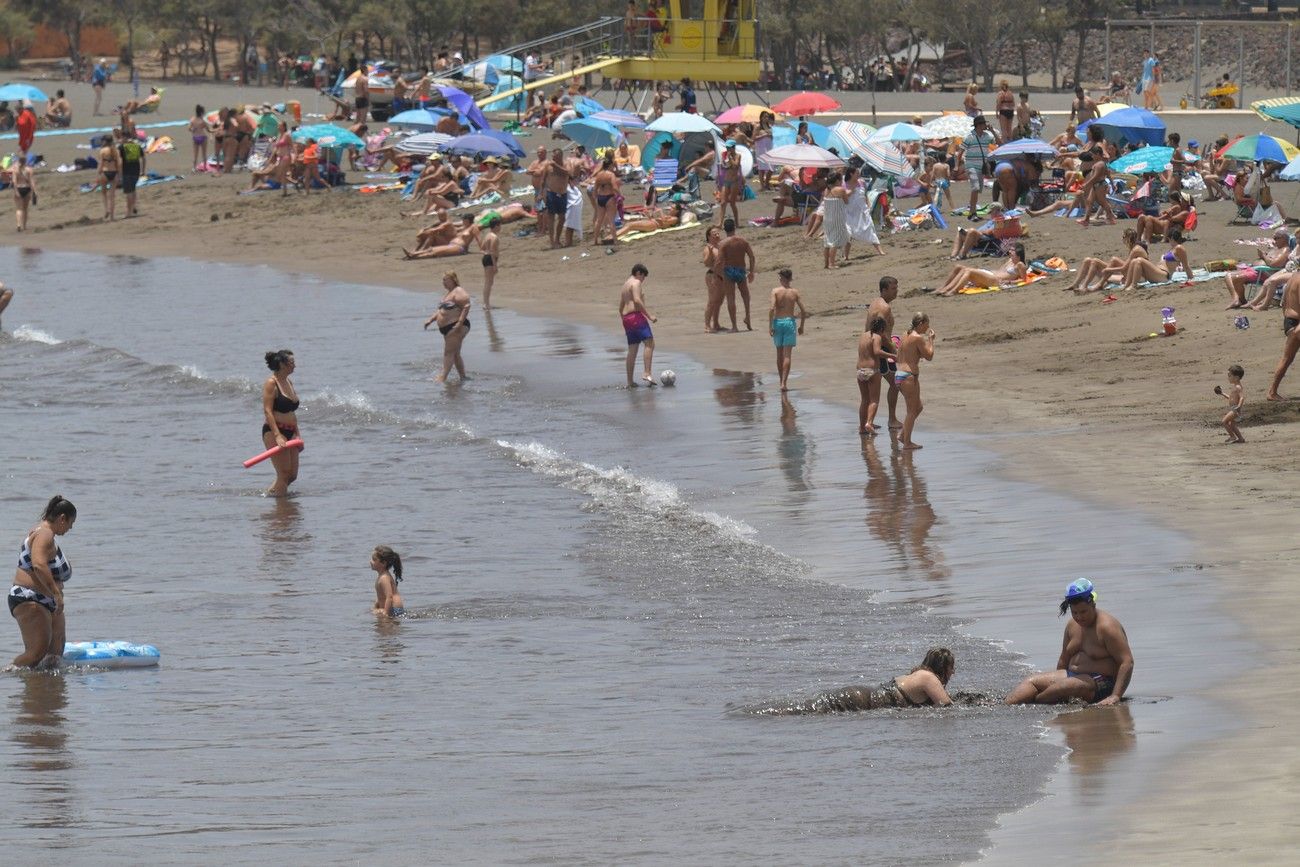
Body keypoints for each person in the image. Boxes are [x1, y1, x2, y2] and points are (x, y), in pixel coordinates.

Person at [1005, 578, 1134, 706]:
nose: (1079, 617)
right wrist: (1055, 683)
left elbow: (1127, 662)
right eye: (1074, 612)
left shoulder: (1108, 627)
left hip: (1102, 682)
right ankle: (1005, 706)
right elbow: (1063, 659)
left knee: (1067, 686)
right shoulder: (1072, 625)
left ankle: (1034, 702)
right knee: (1031, 681)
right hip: (1072, 676)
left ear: (1093, 604)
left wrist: (1116, 696)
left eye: (1083, 612)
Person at [747, 647, 956, 714]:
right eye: (951, 668)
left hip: (861, 694)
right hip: (861, 700)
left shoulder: (918, 673)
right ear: (943, 668)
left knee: (804, 708)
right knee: (802, 711)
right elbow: (946, 706)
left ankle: (761, 711)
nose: (953, 673)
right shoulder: (929, 678)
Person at [8, 495, 76, 670]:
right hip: (30, 597)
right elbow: (39, 564)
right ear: (62, 518)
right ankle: (6, 674)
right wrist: (55, 593)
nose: (70, 528)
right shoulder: (44, 533)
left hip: (46, 600)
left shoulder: (47, 535)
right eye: (70, 523)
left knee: (54, 654)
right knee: (36, 653)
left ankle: (46, 691)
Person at [260, 349, 301, 497]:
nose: (294, 366)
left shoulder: (288, 381)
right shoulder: (271, 383)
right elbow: (268, 411)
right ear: (282, 365)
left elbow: (291, 412)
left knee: (292, 476)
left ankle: (269, 494)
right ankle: (282, 511)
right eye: (292, 363)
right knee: (283, 474)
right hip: (274, 432)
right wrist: (278, 435)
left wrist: (297, 434)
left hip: (291, 433)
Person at [895, 312, 935, 450]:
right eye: (926, 325)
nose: (927, 328)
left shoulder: (904, 334)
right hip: (908, 376)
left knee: (918, 407)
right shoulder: (917, 338)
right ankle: (907, 443)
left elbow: (900, 354)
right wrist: (931, 340)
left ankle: (902, 435)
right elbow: (929, 356)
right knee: (911, 411)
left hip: (899, 373)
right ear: (920, 323)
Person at [867, 276, 903, 430]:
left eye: (897, 287)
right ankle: (892, 419)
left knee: (872, 389)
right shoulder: (884, 308)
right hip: (881, 349)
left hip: (870, 347)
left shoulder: (875, 302)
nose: (897, 291)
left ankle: (867, 422)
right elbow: (880, 332)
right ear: (884, 289)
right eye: (893, 288)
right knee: (895, 384)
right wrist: (895, 350)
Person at [423, 271, 471, 383]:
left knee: (448, 352)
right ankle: (463, 377)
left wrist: (459, 323)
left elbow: (467, 305)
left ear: (453, 279)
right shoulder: (449, 293)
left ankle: (442, 377)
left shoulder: (458, 291)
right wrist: (430, 320)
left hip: (456, 326)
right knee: (455, 353)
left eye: (445, 280)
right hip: (448, 327)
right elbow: (441, 311)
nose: (443, 282)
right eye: (442, 280)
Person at [936, 243, 1028, 296]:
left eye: (1012, 250)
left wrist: (1009, 282)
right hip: (989, 275)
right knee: (959, 267)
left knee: (969, 271)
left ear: (1018, 252)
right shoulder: (1010, 260)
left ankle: (954, 290)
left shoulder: (1020, 265)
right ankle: (943, 288)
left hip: (994, 281)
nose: (1010, 252)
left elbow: (1024, 280)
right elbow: (1000, 270)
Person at [769, 268, 807, 392]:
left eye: (780, 277)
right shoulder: (794, 292)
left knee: (779, 354)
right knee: (787, 355)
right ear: (790, 279)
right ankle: (784, 383)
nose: (779, 279)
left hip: (778, 322)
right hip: (789, 322)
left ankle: (781, 381)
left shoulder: (775, 291)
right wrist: (801, 326)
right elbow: (803, 311)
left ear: (782, 278)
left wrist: (770, 326)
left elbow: (771, 309)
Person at [620, 263, 657, 387]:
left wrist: (624, 321)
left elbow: (621, 307)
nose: (643, 280)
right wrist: (649, 315)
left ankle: (630, 382)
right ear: (638, 273)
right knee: (649, 342)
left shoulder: (625, 284)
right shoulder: (636, 283)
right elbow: (637, 300)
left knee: (632, 349)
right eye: (643, 276)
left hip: (627, 318)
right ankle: (647, 373)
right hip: (636, 316)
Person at [857, 315, 895, 436]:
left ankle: (862, 427)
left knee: (864, 399)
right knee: (874, 400)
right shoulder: (877, 337)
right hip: (872, 371)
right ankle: (869, 423)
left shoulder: (863, 336)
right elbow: (877, 351)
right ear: (882, 329)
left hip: (860, 370)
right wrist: (892, 356)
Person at [1266, 274, 1300, 400]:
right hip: (1298, 322)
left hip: (1289, 321)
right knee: (1286, 359)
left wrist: (1288, 323)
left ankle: (1272, 391)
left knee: (1286, 359)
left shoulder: (1292, 278)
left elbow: (1284, 303)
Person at [718, 217, 755, 331]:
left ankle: (734, 326)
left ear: (725, 229)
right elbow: (752, 257)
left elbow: (720, 260)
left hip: (728, 270)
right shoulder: (743, 241)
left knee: (731, 298)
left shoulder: (723, 243)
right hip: (740, 270)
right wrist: (751, 272)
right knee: (745, 295)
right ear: (734, 227)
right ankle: (748, 316)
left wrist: (717, 274)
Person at [961, 115, 996, 220]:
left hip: (981, 167)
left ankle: (973, 211)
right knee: (975, 188)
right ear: (979, 125)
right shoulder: (969, 137)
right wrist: (957, 165)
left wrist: (992, 131)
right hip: (971, 166)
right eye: (984, 123)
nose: (986, 125)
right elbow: (960, 152)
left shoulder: (987, 136)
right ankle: (972, 213)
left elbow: (999, 142)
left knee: (978, 190)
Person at [542, 147, 572, 248]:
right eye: (553, 156)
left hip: (562, 194)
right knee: (551, 217)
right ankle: (552, 241)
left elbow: (567, 173)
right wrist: (541, 194)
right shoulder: (548, 166)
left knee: (562, 217)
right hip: (551, 193)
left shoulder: (566, 164)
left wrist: (556, 166)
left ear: (560, 156)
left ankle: (557, 239)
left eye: (555, 156)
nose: (553, 158)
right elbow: (543, 179)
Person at [820, 173, 850, 269]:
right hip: (837, 218)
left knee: (827, 241)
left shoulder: (826, 190)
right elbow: (846, 201)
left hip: (827, 218)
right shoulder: (840, 190)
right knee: (834, 242)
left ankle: (825, 263)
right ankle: (831, 263)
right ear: (837, 180)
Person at [370, 546, 405, 617]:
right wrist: (376, 606)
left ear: (383, 563)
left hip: (394, 609)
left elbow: (389, 597)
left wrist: (385, 613)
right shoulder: (382, 576)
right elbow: (381, 595)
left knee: (384, 626)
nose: (371, 561)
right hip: (392, 609)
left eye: (374, 559)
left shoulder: (384, 578)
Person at [1215, 365, 1246, 444]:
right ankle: (1241, 438)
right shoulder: (1235, 386)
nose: (1228, 378)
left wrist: (1239, 406)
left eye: (1229, 376)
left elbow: (1242, 397)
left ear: (1236, 377)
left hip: (1235, 409)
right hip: (1234, 408)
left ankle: (1232, 436)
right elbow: (1231, 398)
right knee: (1232, 424)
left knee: (1224, 422)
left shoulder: (1238, 387)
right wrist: (1222, 393)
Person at [118, 128, 145, 217]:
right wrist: (143, 171)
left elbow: (120, 161)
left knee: (128, 192)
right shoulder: (137, 146)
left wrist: (120, 175)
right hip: (136, 171)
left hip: (126, 172)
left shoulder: (122, 147)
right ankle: (133, 207)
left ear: (124, 137)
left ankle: (129, 212)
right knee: (133, 190)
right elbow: (143, 159)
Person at [702, 225, 724, 332]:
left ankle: (716, 323)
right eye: (714, 234)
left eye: (718, 233)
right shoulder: (708, 248)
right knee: (712, 301)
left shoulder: (721, 245)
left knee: (719, 301)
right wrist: (710, 252)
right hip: (712, 276)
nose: (717, 235)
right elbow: (706, 263)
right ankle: (707, 325)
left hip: (723, 277)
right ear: (709, 237)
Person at [717, 140, 743, 228]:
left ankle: (737, 223)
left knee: (732, 203)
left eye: (729, 147)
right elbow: (724, 167)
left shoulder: (738, 156)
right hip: (726, 181)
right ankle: (720, 223)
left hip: (734, 182)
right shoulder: (724, 155)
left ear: (733, 147)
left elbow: (735, 166)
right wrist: (725, 160)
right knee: (723, 203)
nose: (728, 149)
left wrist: (730, 158)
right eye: (727, 147)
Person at [11, 159, 34, 232]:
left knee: (19, 209)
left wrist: (16, 191)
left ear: (19, 161)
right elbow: (31, 181)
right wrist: (34, 191)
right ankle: (24, 226)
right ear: (26, 161)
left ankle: (18, 225)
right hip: (27, 188)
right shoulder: (29, 170)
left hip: (19, 188)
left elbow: (14, 182)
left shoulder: (15, 170)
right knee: (25, 209)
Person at [189, 104, 209, 171]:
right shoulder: (203, 121)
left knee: (195, 154)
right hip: (203, 136)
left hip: (195, 137)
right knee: (204, 153)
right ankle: (205, 168)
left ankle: (194, 168)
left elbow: (189, 128)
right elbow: (208, 129)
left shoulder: (192, 119)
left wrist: (193, 130)